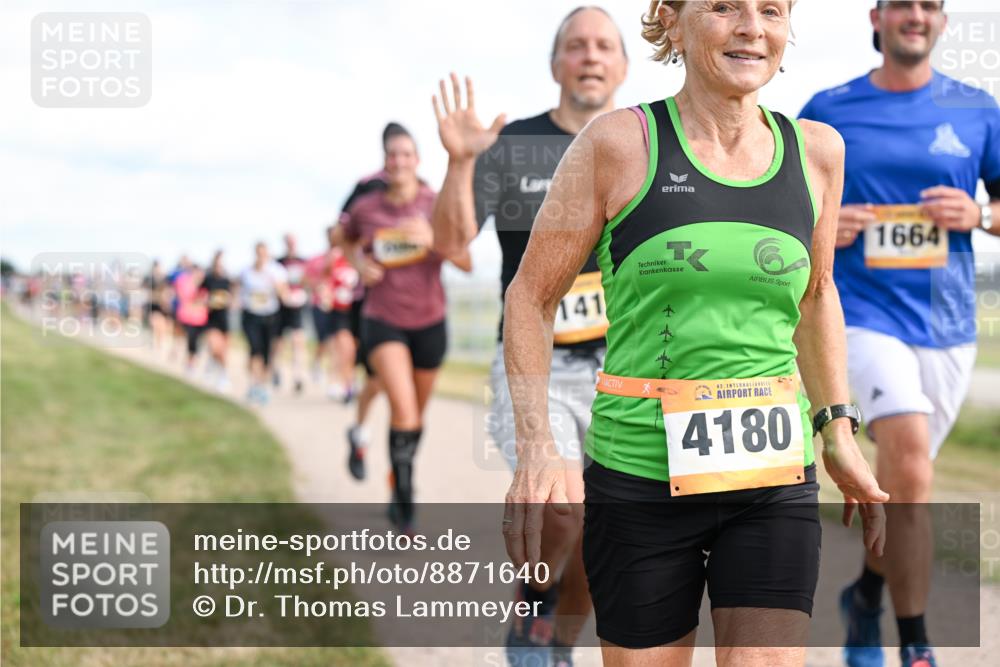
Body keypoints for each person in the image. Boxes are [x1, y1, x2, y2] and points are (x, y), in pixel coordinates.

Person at [501, 2, 891, 666]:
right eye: (723, 8)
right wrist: (538, 443)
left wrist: (838, 431)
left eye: (770, 9)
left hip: (772, 476)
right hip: (640, 477)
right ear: (674, 23)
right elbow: (530, 297)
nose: (751, 26)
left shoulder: (819, 151)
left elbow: (818, 293)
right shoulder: (615, 144)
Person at [798, 2, 1000, 666]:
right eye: (901, 4)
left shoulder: (979, 109)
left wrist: (979, 211)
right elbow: (778, 205)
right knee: (909, 452)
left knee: (908, 482)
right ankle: (915, 640)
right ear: (876, 19)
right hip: (859, 313)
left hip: (947, 325)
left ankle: (864, 595)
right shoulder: (830, 108)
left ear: (940, 22)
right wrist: (827, 226)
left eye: (929, 5)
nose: (915, 15)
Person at [430, 6, 628, 664]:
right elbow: (453, 245)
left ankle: (556, 641)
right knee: (564, 508)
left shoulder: (647, 145)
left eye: (604, 46)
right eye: (576, 46)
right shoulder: (512, 147)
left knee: (608, 533)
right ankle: (535, 607)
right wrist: (461, 165)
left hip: (625, 370)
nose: (590, 56)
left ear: (624, 65)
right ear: (555, 65)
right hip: (535, 364)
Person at [340, 122, 472, 532]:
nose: (399, 161)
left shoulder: (437, 203)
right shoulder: (367, 209)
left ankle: (398, 475)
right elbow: (343, 241)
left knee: (414, 419)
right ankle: (405, 503)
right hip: (384, 321)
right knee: (403, 410)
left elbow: (466, 262)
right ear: (384, 162)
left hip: (430, 322)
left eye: (406, 154)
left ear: (418, 160)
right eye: (392, 155)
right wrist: (359, 263)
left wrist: (434, 239)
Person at [307, 226, 360, 406]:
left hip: (356, 309)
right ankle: (344, 384)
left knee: (353, 349)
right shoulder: (333, 258)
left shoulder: (358, 254)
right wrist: (326, 294)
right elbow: (324, 279)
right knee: (342, 347)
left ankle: (349, 381)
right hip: (338, 310)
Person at [240, 242, 290, 405]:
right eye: (259, 253)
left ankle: (262, 385)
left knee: (268, 352)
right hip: (251, 314)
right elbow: (240, 292)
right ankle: (254, 383)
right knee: (255, 349)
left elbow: (284, 294)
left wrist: (277, 287)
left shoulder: (277, 271)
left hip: (270, 315)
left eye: (264, 253)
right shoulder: (247, 271)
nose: (261, 256)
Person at [275, 233, 310, 395]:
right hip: (281, 307)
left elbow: (308, 280)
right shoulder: (279, 262)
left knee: (298, 341)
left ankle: (298, 376)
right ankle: (278, 370)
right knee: (279, 343)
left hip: (297, 306)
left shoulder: (303, 262)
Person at [202, 250, 234, 393]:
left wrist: (231, 301)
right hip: (211, 319)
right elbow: (198, 294)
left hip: (225, 319)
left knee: (223, 351)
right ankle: (214, 367)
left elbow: (234, 297)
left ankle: (222, 375)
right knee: (215, 346)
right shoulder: (208, 279)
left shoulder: (228, 281)